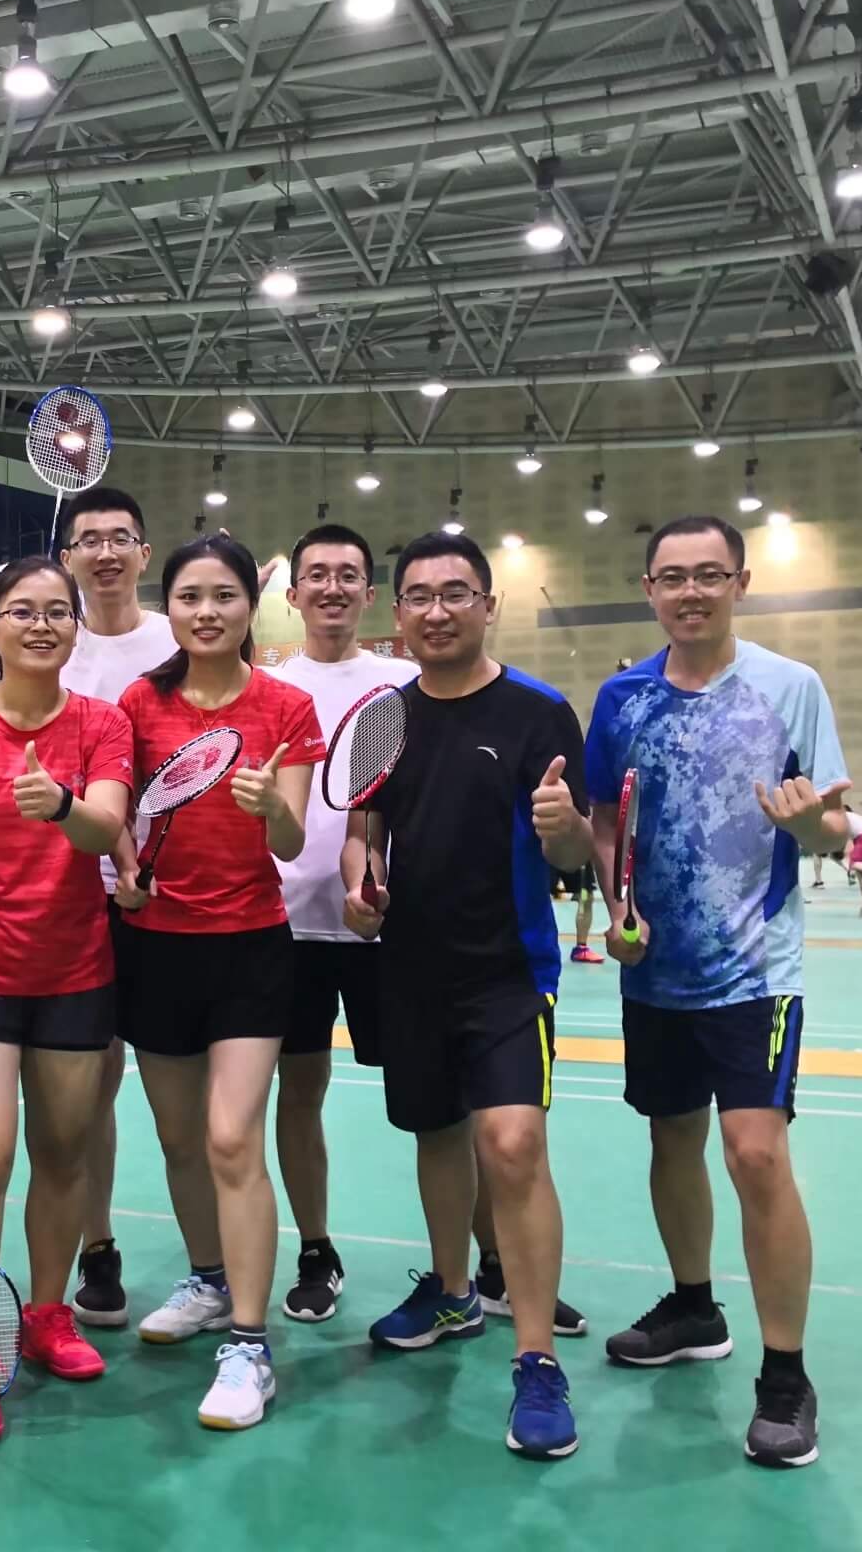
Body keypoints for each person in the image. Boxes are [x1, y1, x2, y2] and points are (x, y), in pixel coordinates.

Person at [585, 513, 847, 1470]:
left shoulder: (789, 687)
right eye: (671, 576)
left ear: (740, 582)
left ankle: (785, 1376)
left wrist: (809, 823)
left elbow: (836, 829)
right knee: (671, 1139)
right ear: (648, 589)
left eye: (708, 574)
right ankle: (694, 1309)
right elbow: (604, 820)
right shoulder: (620, 698)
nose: (689, 591)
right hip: (655, 968)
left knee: (755, 1155)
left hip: (754, 970)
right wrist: (616, 903)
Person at [341, 531, 591, 1462]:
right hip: (409, 966)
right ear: (397, 612)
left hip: (507, 968)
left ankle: (535, 1359)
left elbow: (577, 851)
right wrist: (360, 886)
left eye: (455, 593)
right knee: (436, 1134)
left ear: (488, 605)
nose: (436, 610)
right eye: (418, 595)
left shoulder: (538, 712)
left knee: (512, 1143)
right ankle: (451, 1292)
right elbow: (364, 829)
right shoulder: (384, 717)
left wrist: (565, 830)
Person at [0, 556, 135, 1443]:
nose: (40, 626)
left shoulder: (102, 723)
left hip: (77, 970)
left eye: (56, 612)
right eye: (21, 612)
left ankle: (46, 1314)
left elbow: (105, 828)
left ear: (75, 629)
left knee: (65, 1152)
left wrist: (60, 805)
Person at [112, 534, 320, 1431]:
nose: (206, 612)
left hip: (248, 945)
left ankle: (248, 1344)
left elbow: (291, 842)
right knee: (178, 1139)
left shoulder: (287, 705)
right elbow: (118, 815)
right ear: (169, 608)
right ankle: (206, 1280)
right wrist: (124, 868)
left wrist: (271, 806)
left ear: (248, 606)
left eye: (223, 596)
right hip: (155, 946)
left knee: (231, 1138)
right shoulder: (137, 702)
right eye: (189, 596)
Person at [263, 524, 417, 1323]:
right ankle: (316, 1250)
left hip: (390, 928)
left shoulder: (405, 683)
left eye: (347, 575)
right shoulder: (268, 689)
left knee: (437, 1099)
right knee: (299, 1091)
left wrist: (377, 878)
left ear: (369, 593)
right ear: (292, 595)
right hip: (287, 928)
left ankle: (486, 1261)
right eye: (315, 575)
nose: (331, 587)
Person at [55, 485, 180, 1331]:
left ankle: (213, 1264)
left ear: (142, 552)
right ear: (68, 558)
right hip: (78, 902)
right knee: (88, 1091)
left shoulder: (178, 642)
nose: (104, 553)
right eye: (88, 540)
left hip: (173, 901)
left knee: (186, 1098)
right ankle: (96, 1247)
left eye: (119, 538)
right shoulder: (47, 643)